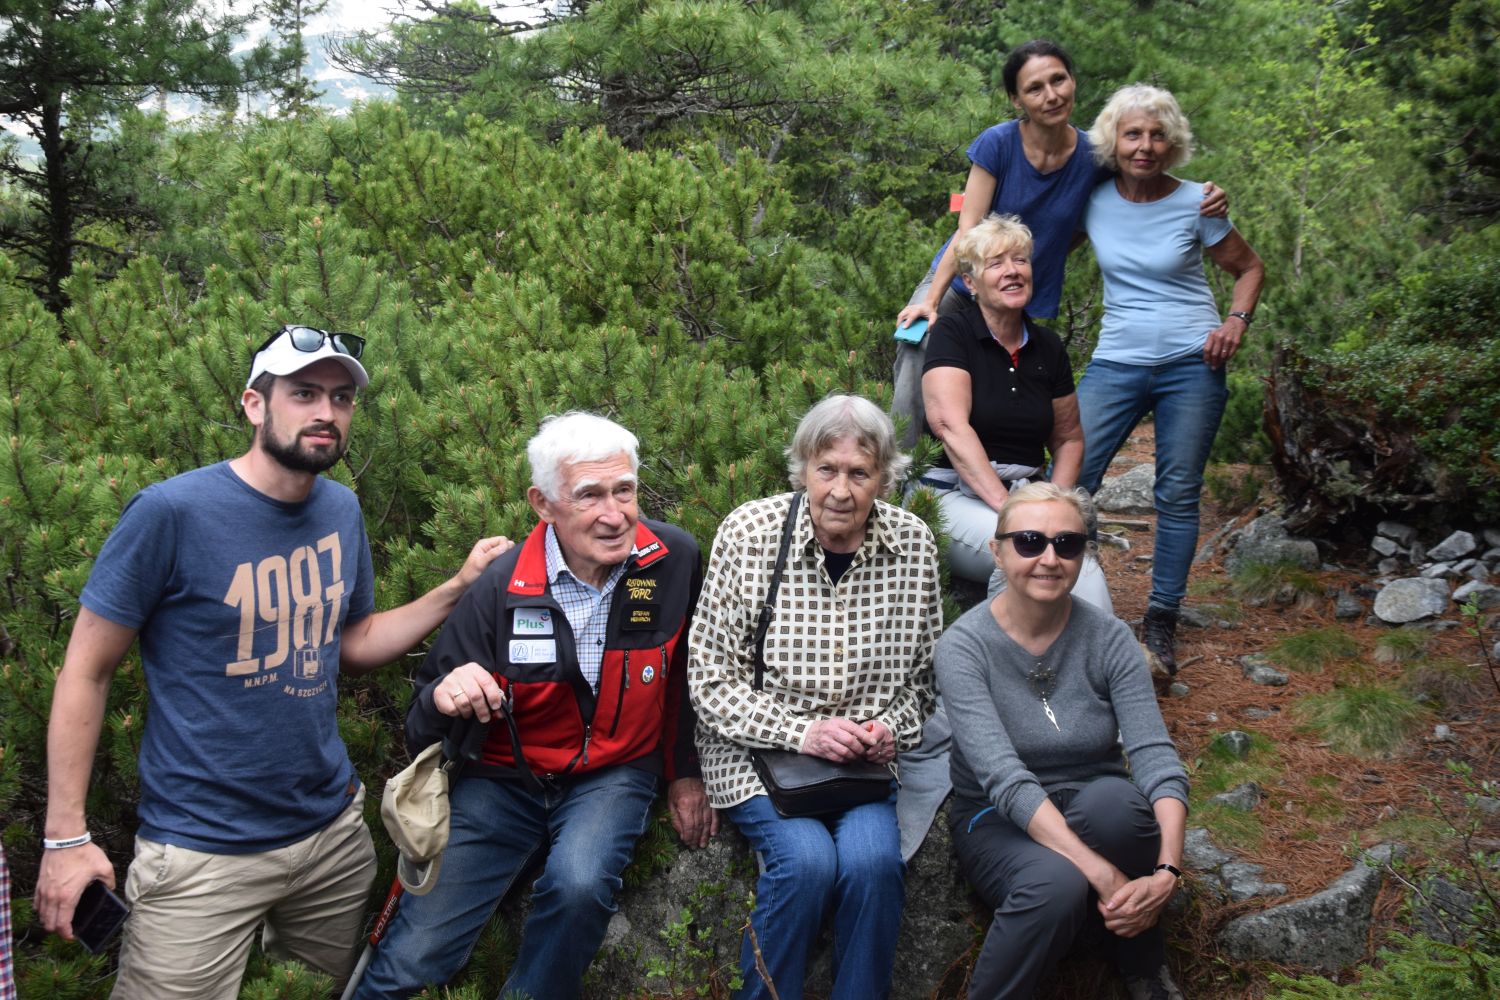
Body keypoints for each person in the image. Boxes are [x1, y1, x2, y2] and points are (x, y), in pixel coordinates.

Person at [34, 325, 513, 999]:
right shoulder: (170, 513)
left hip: (330, 839)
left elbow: (350, 643)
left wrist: (457, 588)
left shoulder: (340, 508)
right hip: (200, 852)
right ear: (254, 404)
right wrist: (65, 838)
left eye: (341, 398)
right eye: (304, 394)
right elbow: (86, 670)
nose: (327, 412)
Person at [353, 411, 714, 1000]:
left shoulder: (673, 559)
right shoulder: (501, 584)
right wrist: (447, 695)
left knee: (578, 885)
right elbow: (421, 723)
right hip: (502, 780)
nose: (614, 514)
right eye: (589, 495)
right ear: (543, 504)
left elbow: (685, 679)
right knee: (410, 958)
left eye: (625, 490)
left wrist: (684, 773)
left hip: (615, 770)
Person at [690, 394, 942, 1000]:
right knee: (805, 865)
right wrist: (802, 733)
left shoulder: (913, 545)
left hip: (858, 762)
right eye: (826, 469)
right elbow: (709, 679)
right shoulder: (749, 533)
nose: (841, 491)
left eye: (860, 473)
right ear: (803, 467)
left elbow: (922, 685)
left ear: (885, 478)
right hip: (755, 750)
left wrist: (888, 730)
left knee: (874, 865)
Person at [891, 39, 1226, 445]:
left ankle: (1002, 474)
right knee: (918, 340)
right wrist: (931, 301)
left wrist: (1203, 195)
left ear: (1073, 81)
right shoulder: (998, 144)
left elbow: (1145, 171)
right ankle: (903, 468)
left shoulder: (1094, 157)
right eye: (1035, 88)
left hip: (1018, 291)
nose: (1051, 95)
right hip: (961, 281)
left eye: (1058, 80)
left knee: (1001, 384)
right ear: (1016, 100)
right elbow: (969, 229)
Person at [938, 483, 1190, 1000]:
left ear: (1083, 555)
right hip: (995, 817)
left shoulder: (1111, 638)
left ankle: (1142, 968)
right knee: (1055, 884)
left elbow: (1154, 756)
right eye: (1029, 541)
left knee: (1117, 806)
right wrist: (1100, 872)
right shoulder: (964, 647)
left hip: (1094, 799)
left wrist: (1167, 870)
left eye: (1068, 544)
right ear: (997, 551)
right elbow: (1002, 778)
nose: (1049, 559)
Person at [1076, 84, 1265, 675]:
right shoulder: (1092, 199)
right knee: (1069, 479)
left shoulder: (1197, 203)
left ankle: (1161, 619)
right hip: (1116, 361)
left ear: (1172, 142)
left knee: (1178, 492)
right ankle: (1067, 595)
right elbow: (1039, 233)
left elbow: (1249, 268)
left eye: (1157, 135)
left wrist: (1235, 321)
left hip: (1192, 363)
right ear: (1113, 140)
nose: (1145, 146)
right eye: (1133, 134)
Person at [919, 212, 1111, 612]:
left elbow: (1068, 438)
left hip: (1028, 494)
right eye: (996, 263)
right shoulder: (952, 334)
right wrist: (1015, 511)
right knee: (1030, 550)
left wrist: (1056, 502)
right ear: (970, 282)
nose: (1012, 271)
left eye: (1020, 260)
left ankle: (1099, 652)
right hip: (950, 495)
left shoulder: (1048, 347)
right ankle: (1005, 650)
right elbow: (950, 426)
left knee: (1076, 565)